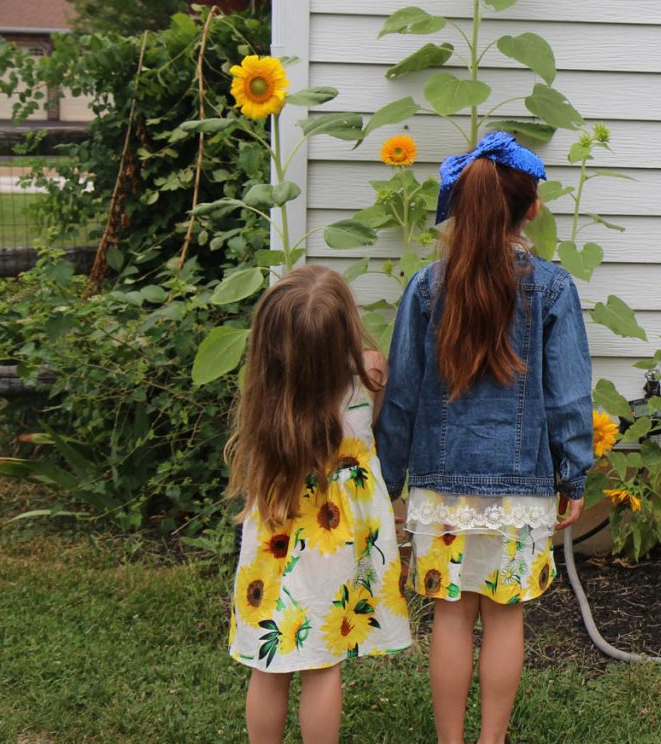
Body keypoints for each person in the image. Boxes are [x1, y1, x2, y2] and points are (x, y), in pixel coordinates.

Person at [376, 131, 594, 744]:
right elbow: (570, 396)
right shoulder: (553, 289)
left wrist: (387, 482)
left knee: (450, 617)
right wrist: (573, 472)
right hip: (520, 489)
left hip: (441, 492)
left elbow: (401, 397)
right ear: (531, 209)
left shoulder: (426, 287)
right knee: (503, 619)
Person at [225, 265, 411, 744]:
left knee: (270, 664)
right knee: (322, 665)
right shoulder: (369, 375)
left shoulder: (267, 398)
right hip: (339, 546)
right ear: (344, 330)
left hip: (277, 542)